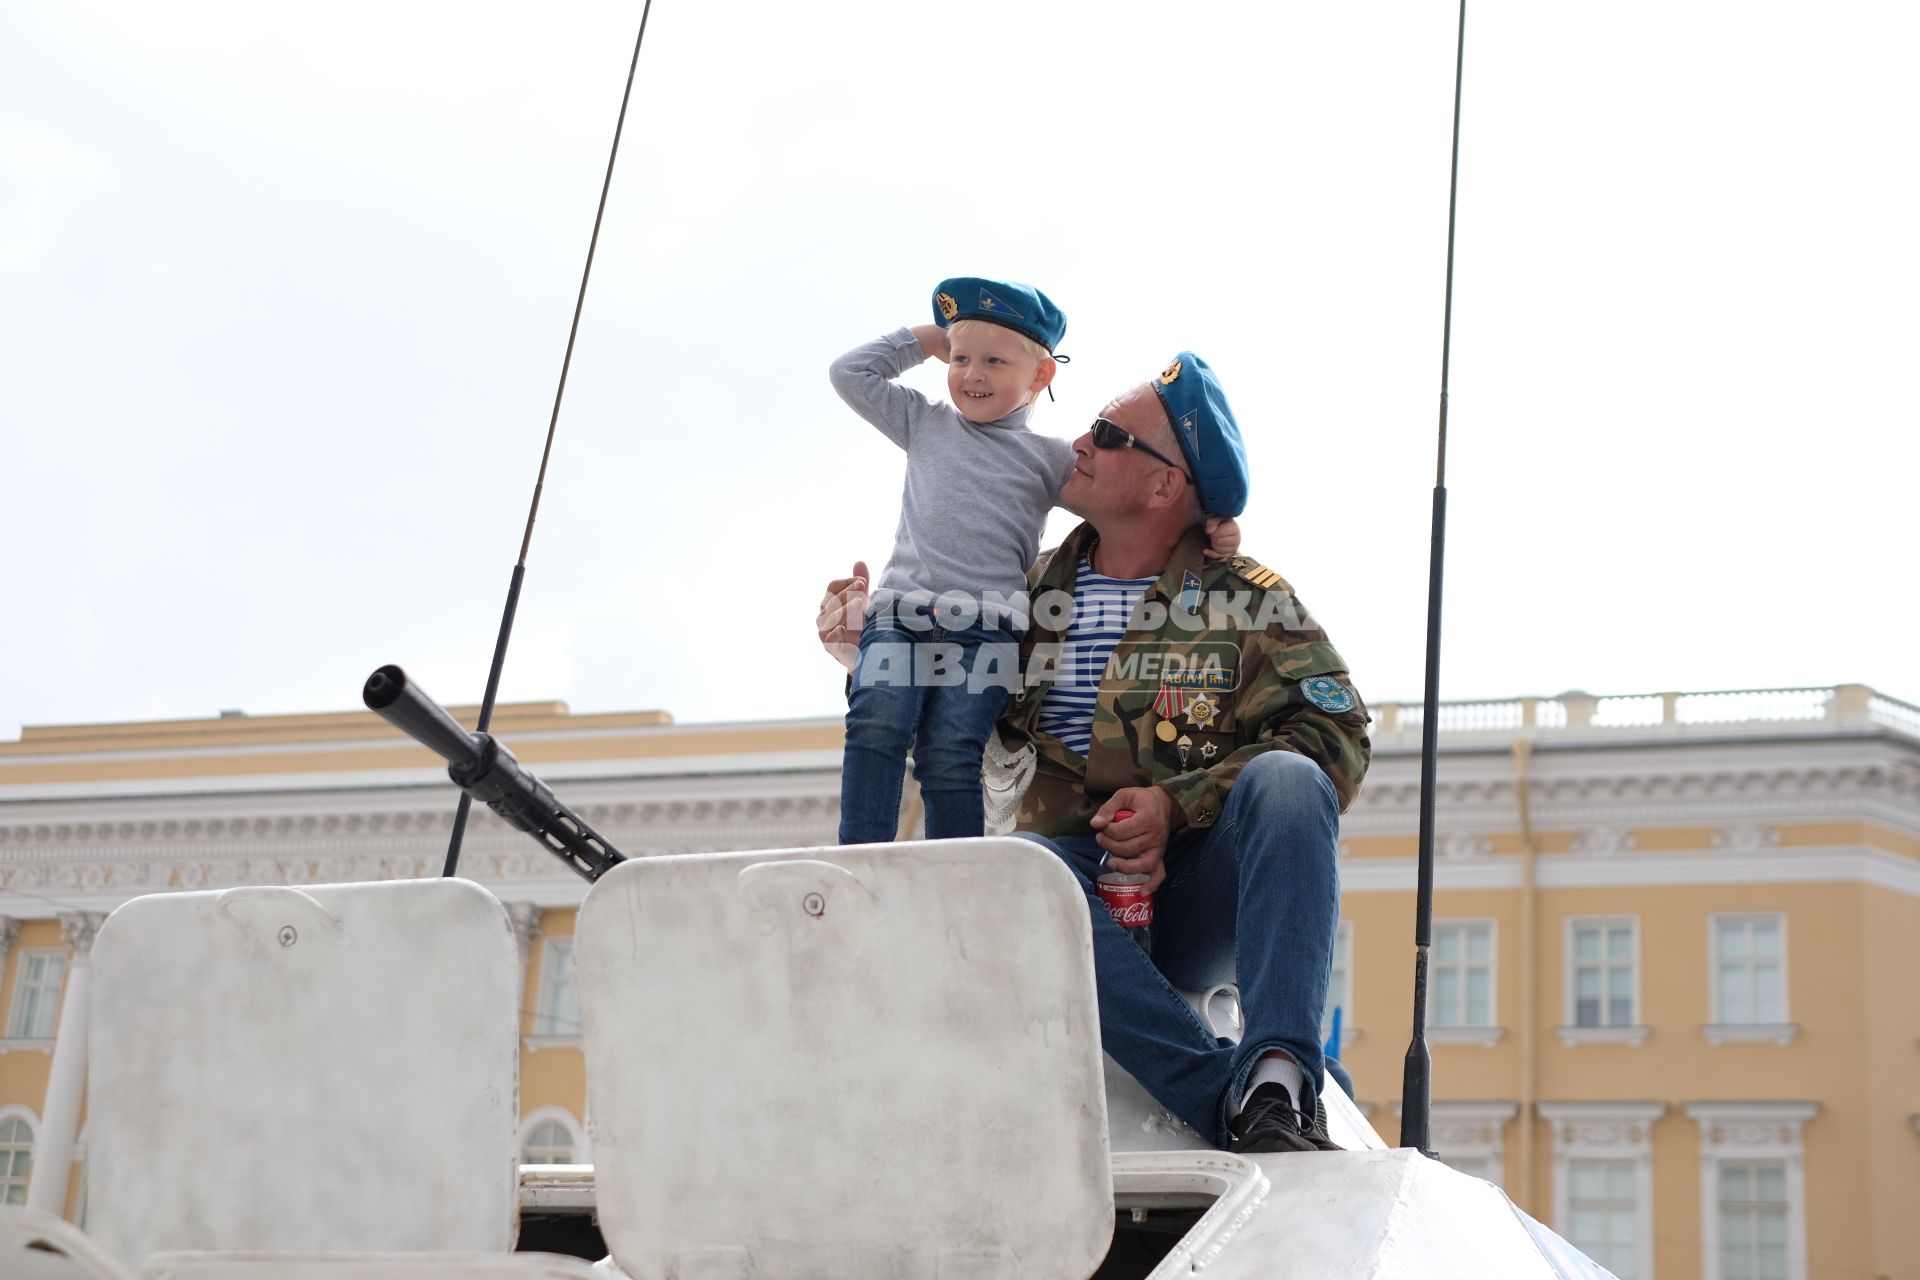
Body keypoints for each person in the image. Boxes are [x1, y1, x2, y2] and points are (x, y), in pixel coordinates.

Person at [819, 352, 1369, 1154]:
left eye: (1111, 434)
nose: (1079, 439)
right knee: (1022, 874)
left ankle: (1281, 1068)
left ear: (1163, 487)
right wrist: (869, 649)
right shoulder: (1013, 590)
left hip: (1192, 893)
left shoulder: (1247, 600)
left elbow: (1337, 735)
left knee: (1289, 782)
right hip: (1062, 893)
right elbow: (948, 723)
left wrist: (1177, 804)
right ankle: (1235, 1095)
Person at [828, 278, 1237, 846]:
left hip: (988, 631)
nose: (972, 374)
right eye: (962, 357)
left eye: (995, 360)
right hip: (902, 614)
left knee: (951, 753)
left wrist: (1208, 523)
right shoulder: (923, 421)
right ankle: (861, 859)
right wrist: (926, 340)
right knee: (876, 722)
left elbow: (1135, 502)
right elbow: (849, 374)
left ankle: (959, 873)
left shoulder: (1049, 459)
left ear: (1040, 376)